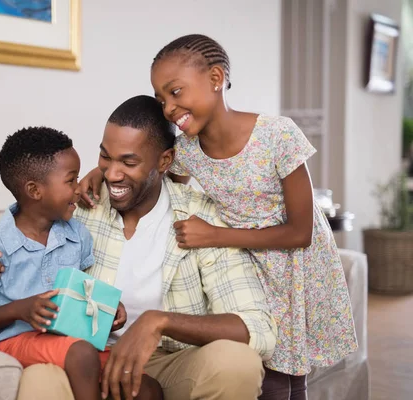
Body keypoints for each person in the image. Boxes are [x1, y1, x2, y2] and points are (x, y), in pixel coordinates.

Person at [81, 34, 358, 400]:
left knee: (291, 377)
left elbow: (300, 232)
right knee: (266, 373)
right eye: (162, 99)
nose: (167, 108)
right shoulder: (185, 150)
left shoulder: (277, 135)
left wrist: (215, 235)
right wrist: (98, 173)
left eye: (175, 92)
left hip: (291, 264)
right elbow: (146, 173)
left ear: (215, 78)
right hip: (243, 264)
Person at [0, 95, 277, 400]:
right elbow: (22, 241)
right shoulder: (77, 207)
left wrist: (157, 322)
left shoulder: (202, 218)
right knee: (40, 379)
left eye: (128, 162)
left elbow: (258, 328)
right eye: (105, 157)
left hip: (171, 359)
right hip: (88, 356)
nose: (111, 173)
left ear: (164, 161)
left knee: (236, 362)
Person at [0, 127, 162, 400]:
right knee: (81, 353)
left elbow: (83, 290)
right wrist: (20, 309)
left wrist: (105, 309)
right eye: (71, 180)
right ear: (34, 190)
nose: (79, 188)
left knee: (144, 386)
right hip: (12, 342)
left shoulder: (76, 234)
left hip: (68, 341)